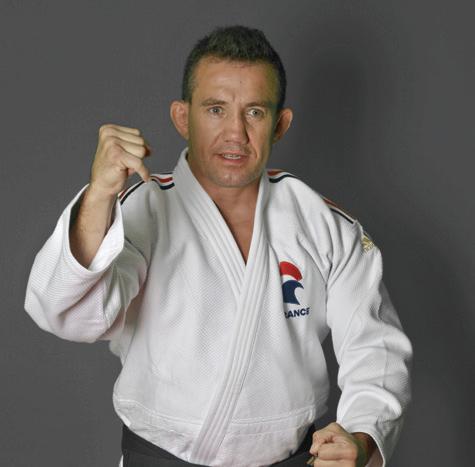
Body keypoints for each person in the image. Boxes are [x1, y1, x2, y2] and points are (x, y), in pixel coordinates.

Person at [24, 25, 412, 467]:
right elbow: (67, 314)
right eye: (215, 109)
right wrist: (99, 196)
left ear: (280, 124)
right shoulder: (142, 210)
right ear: (182, 118)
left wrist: (362, 436)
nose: (235, 133)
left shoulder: (324, 225)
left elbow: (376, 348)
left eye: (254, 113)